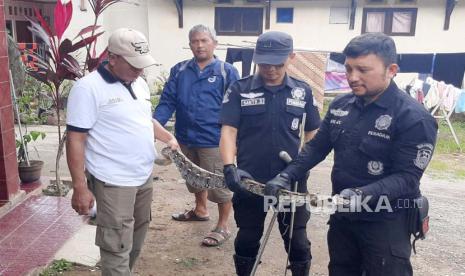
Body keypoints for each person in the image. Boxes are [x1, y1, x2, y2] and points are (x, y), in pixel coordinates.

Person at [267, 33, 438, 276]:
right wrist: (286, 175)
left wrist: (360, 194)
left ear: (391, 70)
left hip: (386, 221)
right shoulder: (341, 106)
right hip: (344, 218)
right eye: (348, 69)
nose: (352, 77)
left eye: (362, 70)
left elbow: (407, 178)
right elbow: (317, 147)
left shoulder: (414, 118)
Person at [66, 28, 179, 275]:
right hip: (113, 182)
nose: (139, 70)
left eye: (142, 65)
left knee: (137, 238)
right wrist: (80, 187)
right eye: (133, 65)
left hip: (143, 176)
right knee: (116, 245)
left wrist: (167, 136)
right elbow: (76, 139)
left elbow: (144, 119)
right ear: (112, 58)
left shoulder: (138, 83)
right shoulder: (88, 88)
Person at [220, 31, 321, 276]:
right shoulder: (239, 89)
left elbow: (313, 135)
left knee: (296, 242)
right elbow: (228, 131)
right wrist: (228, 167)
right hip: (250, 180)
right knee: (247, 238)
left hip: (291, 182)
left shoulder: (302, 91)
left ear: (291, 57)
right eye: (264, 63)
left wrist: (302, 165)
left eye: (278, 63)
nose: (271, 69)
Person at [153, 24, 239, 246]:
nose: (199, 45)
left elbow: (235, 107)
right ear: (190, 44)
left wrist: (234, 139)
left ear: (214, 43)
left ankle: (223, 226)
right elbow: (167, 101)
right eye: (194, 41)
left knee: (220, 184)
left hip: (214, 140)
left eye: (204, 40)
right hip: (184, 137)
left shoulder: (226, 71)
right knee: (193, 178)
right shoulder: (180, 70)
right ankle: (200, 210)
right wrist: (152, 126)